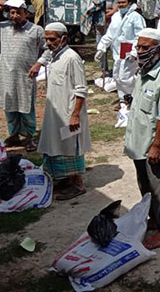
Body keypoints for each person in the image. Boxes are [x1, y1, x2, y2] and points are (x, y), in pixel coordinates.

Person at [123, 28, 160, 250]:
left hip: (152, 145)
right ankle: (153, 219)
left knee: (159, 187)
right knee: (144, 185)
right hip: (138, 142)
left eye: (145, 47)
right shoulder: (143, 72)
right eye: (138, 47)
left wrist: (156, 145)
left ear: (157, 49)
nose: (140, 51)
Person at [0, 0, 51, 151]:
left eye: (18, 13)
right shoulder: (4, 27)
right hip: (6, 74)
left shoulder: (36, 30)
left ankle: (29, 136)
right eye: (12, 13)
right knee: (10, 106)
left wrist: (38, 64)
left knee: (26, 106)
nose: (15, 16)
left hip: (26, 75)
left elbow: (48, 49)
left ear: (26, 13)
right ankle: (13, 135)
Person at [38, 23, 90, 200]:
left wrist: (75, 114)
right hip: (55, 112)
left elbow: (81, 89)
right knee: (56, 145)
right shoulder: (54, 57)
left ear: (64, 39)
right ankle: (65, 179)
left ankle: (77, 183)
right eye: (46, 39)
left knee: (70, 147)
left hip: (69, 113)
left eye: (52, 39)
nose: (49, 43)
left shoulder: (72, 58)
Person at [95, 0, 145, 105]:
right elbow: (110, 34)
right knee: (117, 76)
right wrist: (102, 47)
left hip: (130, 50)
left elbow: (140, 35)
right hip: (117, 51)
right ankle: (123, 99)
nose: (121, 5)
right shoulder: (116, 16)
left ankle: (132, 97)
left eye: (123, 2)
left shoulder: (136, 17)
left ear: (129, 3)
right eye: (119, 2)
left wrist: (134, 51)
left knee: (126, 77)